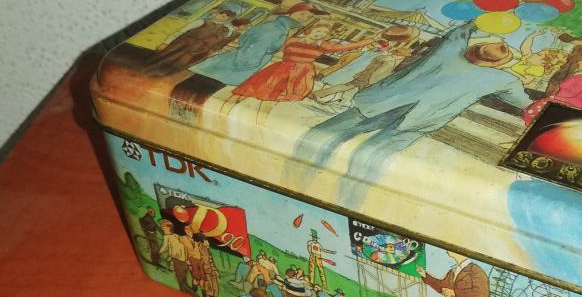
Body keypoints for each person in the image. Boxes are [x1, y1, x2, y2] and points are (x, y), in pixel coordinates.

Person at [291, 22, 532, 206]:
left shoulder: (449, 50)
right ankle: (350, 204)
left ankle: (299, 182)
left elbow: (458, 33)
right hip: (420, 120)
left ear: (473, 49)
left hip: (382, 103)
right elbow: (523, 103)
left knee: (321, 135)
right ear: (498, 64)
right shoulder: (503, 79)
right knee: (369, 158)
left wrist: (478, 22)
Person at [225, 21, 377, 125]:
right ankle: (226, 110)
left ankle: (259, 120)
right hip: (281, 70)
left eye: (324, 33)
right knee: (254, 90)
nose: (320, 34)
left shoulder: (323, 45)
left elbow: (347, 47)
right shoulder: (292, 40)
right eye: (318, 31)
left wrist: (368, 41)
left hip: (301, 74)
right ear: (310, 30)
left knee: (277, 98)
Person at [192, 2, 328, 86]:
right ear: (292, 12)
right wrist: (246, 65)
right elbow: (254, 49)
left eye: (308, 17)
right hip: (233, 68)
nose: (304, 18)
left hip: (232, 64)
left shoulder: (279, 27)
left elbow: (245, 39)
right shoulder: (275, 29)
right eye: (302, 14)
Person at [314, 25, 419, 108]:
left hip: (363, 70)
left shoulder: (384, 50)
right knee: (347, 85)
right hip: (364, 73)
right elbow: (378, 67)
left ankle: (331, 98)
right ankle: (328, 97)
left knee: (348, 86)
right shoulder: (384, 52)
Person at [522, 55, 582, 126]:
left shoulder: (580, 78)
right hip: (575, 117)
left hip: (554, 111)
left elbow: (563, 94)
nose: (580, 61)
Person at [144, 8, 237, 75]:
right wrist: (166, 42)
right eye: (222, 15)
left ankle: (158, 77)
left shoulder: (224, 30)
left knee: (178, 66)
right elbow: (181, 31)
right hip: (180, 45)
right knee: (163, 59)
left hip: (195, 51)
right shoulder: (202, 22)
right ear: (217, 14)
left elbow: (220, 40)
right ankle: (145, 71)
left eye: (226, 18)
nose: (223, 18)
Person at [159, 220, 192, 293]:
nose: (162, 229)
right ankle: (189, 292)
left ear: (168, 228)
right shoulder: (176, 236)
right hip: (184, 261)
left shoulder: (167, 237)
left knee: (181, 281)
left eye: (164, 227)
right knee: (183, 280)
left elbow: (164, 247)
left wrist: (159, 252)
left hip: (178, 261)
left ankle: (190, 293)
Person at [179, 226, 206, 296]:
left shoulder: (195, 241)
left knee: (201, 279)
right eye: (186, 229)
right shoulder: (183, 238)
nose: (188, 230)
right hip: (191, 260)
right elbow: (182, 249)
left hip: (199, 261)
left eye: (190, 229)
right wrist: (187, 260)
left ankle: (203, 296)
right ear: (185, 231)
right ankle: (193, 293)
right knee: (196, 278)